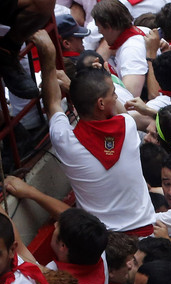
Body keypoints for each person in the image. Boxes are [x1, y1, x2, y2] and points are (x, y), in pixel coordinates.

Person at [39, 32, 156, 236]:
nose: (116, 96)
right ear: (101, 103)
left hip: (102, 242)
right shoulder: (127, 126)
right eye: (113, 94)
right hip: (146, 233)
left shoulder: (64, 139)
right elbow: (122, 114)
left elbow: (52, 103)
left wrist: (48, 56)